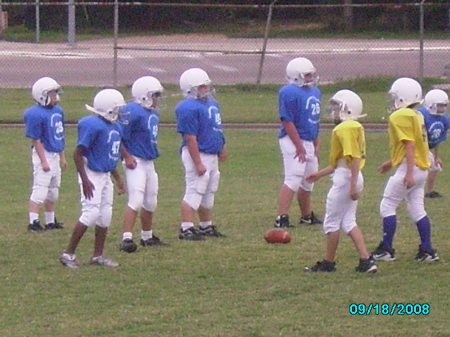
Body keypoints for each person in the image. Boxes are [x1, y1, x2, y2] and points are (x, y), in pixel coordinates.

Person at [304, 89, 377, 273]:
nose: (334, 112)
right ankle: (366, 260)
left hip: (347, 178)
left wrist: (352, 185)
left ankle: (329, 262)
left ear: (348, 110)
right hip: (351, 175)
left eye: (338, 108)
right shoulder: (354, 127)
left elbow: (353, 157)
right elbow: (342, 161)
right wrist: (319, 174)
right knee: (348, 221)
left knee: (331, 222)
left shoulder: (345, 128)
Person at [371, 77, 439, 262]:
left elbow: (409, 144)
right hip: (422, 168)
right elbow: (416, 145)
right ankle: (427, 250)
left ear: (403, 97)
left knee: (387, 205)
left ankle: (386, 249)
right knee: (417, 209)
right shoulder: (417, 114)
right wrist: (391, 161)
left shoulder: (400, 116)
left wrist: (407, 172)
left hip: (410, 168)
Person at [60, 88, 126, 268]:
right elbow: (77, 154)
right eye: (117, 108)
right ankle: (68, 254)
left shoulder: (115, 127)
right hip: (91, 174)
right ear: (108, 109)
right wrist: (85, 179)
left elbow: (108, 157)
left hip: (104, 174)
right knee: (91, 213)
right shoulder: (94, 125)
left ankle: (97, 256)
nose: (119, 112)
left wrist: (118, 178)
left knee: (105, 215)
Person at [175, 68, 227, 240]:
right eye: (202, 87)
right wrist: (197, 162)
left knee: (209, 190)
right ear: (190, 88)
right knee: (195, 189)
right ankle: (186, 227)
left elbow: (216, 127)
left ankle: (206, 225)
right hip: (197, 153)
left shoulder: (212, 103)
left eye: (206, 85)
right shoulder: (187, 107)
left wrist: (222, 145)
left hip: (211, 152)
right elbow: (190, 137)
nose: (206, 89)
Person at [119, 76, 168, 253]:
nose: (157, 99)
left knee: (151, 200)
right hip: (135, 160)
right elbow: (119, 136)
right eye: (155, 95)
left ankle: (147, 236)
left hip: (148, 161)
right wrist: (126, 156)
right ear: (144, 96)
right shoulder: (132, 111)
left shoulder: (152, 113)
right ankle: (126, 238)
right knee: (136, 199)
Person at [274, 57, 323, 229]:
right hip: (292, 140)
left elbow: (314, 120)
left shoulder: (315, 92)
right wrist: (300, 147)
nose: (310, 78)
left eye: (311, 74)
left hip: (308, 139)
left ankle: (306, 216)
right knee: (293, 177)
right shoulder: (288, 92)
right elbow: (287, 121)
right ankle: (281, 217)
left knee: (309, 179)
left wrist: (316, 142)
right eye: (307, 75)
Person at [23, 76, 67, 232]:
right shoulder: (35, 114)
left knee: (53, 191)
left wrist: (62, 157)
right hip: (44, 154)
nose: (55, 96)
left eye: (55, 92)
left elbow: (59, 135)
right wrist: (44, 161)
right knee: (40, 189)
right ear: (42, 95)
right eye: (52, 93)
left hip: (55, 153)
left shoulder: (58, 111)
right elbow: (37, 140)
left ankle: (50, 221)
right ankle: (33, 222)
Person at [417, 89, 450, 199]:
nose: (443, 108)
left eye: (444, 105)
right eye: (440, 105)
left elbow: (438, 139)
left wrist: (435, 156)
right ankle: (405, 191)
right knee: (415, 169)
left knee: (435, 166)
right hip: (416, 146)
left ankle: (429, 192)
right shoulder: (421, 116)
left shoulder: (444, 119)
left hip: (426, 148)